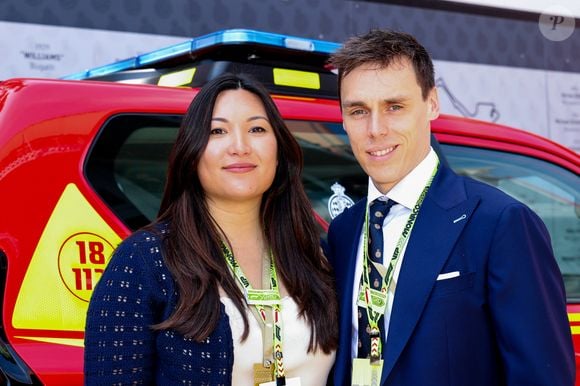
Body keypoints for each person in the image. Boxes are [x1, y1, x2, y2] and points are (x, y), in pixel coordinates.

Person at [325, 29, 575, 386]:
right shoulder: (345, 231)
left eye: (394, 106)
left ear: (432, 103)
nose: (375, 129)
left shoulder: (501, 223)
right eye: (358, 110)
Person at [84, 73, 338, 385]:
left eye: (257, 129)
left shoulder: (315, 254)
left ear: (279, 150)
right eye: (217, 131)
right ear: (192, 153)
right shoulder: (144, 261)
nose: (240, 146)